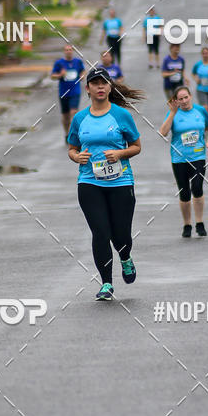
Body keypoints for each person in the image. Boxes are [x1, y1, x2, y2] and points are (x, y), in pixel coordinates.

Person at [67, 68, 144, 301]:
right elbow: (72, 148)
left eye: (104, 83)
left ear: (110, 87)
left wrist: (120, 154)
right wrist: (76, 157)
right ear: (87, 88)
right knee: (100, 232)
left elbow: (137, 146)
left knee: (120, 235)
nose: (100, 87)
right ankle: (106, 283)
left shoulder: (121, 115)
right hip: (90, 182)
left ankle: (126, 257)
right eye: (95, 83)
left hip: (120, 182)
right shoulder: (80, 118)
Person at [159, 86, 208, 238]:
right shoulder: (174, 114)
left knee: (197, 188)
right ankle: (187, 224)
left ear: (190, 96)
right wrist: (172, 112)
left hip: (198, 157)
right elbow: (163, 132)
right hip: (179, 158)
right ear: (176, 101)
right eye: (180, 99)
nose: (184, 101)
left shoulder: (200, 111)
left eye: (186, 97)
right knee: (184, 192)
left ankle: (200, 222)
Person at [50, 43, 85, 136]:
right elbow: (52, 76)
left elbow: (83, 71)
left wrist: (82, 76)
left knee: (73, 112)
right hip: (63, 92)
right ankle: (66, 133)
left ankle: (72, 133)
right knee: (65, 116)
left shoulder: (78, 62)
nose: (68, 52)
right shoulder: (59, 63)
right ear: (64, 52)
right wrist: (60, 75)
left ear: (72, 51)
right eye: (66, 50)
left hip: (75, 91)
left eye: (70, 50)